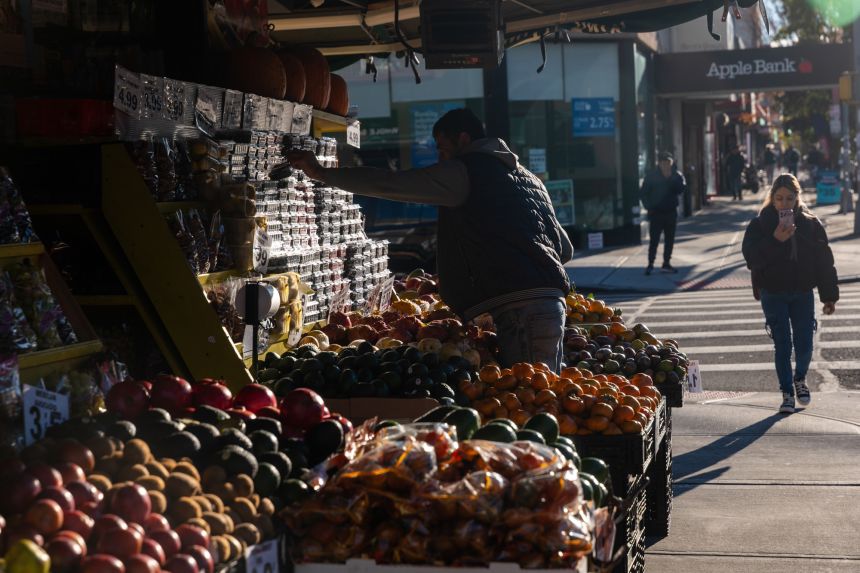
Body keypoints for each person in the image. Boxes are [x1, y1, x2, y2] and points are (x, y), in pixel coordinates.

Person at [287, 108, 573, 371]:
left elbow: (391, 184)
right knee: (537, 394)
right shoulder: (530, 180)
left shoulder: (466, 171)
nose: (440, 157)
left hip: (520, 309)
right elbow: (564, 248)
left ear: (462, 139)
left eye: (442, 147)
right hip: (549, 304)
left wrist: (320, 172)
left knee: (527, 401)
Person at [741, 173, 839, 414]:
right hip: (773, 293)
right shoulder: (760, 224)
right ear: (772, 199)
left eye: (789, 198)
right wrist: (775, 239)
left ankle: (800, 379)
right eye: (779, 198)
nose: (784, 204)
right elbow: (752, 259)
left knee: (805, 344)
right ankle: (786, 392)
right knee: (783, 346)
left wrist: (829, 296)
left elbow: (824, 262)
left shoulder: (811, 224)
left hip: (802, 292)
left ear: (797, 198)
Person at [639, 151, 686, 275]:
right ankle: (650, 263)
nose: (666, 165)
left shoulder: (676, 175)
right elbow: (643, 193)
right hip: (656, 213)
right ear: (659, 163)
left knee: (669, 240)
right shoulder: (651, 176)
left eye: (668, 162)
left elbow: (681, 190)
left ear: (671, 163)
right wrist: (649, 207)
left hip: (670, 212)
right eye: (663, 162)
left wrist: (672, 178)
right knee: (654, 240)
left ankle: (666, 263)